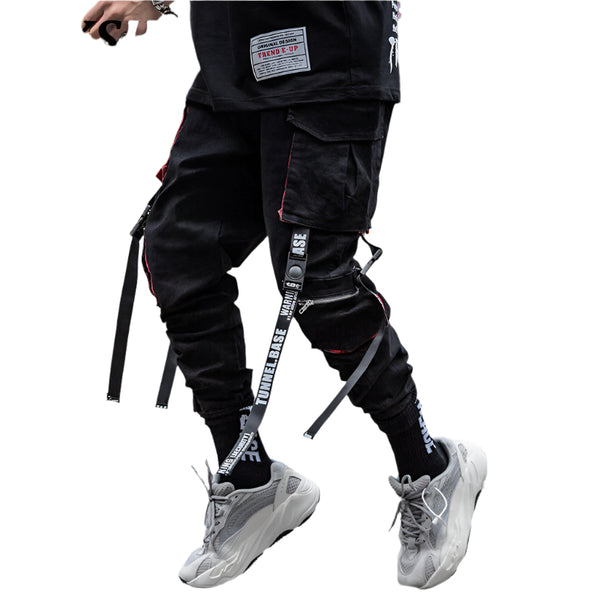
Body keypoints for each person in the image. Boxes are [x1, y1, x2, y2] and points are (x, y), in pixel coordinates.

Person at [83, 1, 487, 589]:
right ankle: (249, 479)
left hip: (328, 54)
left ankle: (432, 466)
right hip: (237, 57)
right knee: (178, 250)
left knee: (316, 286)